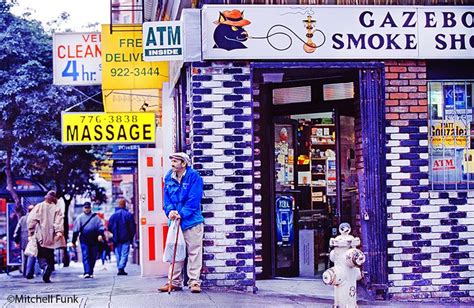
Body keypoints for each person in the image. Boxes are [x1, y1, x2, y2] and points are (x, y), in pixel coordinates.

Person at [158, 152, 204, 294]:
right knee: (175, 250)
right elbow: (166, 199)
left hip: (191, 220)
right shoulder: (168, 177)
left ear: (183, 164)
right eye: (171, 161)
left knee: (194, 251)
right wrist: (170, 211)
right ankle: (173, 282)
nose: (172, 164)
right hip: (175, 221)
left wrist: (181, 213)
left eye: (175, 161)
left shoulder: (193, 176)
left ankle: (194, 281)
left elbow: (194, 199)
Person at [27, 191, 66, 283]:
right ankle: (47, 272)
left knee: (40, 254)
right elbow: (59, 221)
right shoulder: (57, 208)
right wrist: (59, 232)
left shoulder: (39, 206)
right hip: (52, 236)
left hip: (41, 235)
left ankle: (45, 266)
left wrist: (31, 231)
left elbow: (31, 220)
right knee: (49, 254)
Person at [71, 202, 104, 278]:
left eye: (88, 208)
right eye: (85, 208)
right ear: (83, 208)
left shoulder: (95, 217)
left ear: (90, 208)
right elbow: (76, 230)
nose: (87, 209)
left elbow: (100, 227)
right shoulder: (80, 218)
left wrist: (100, 234)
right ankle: (86, 272)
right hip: (84, 239)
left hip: (94, 239)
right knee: (86, 255)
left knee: (93, 255)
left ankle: (90, 271)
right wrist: (73, 241)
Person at [108, 199, 136, 276]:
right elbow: (132, 228)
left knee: (118, 254)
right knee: (124, 253)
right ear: (124, 205)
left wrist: (114, 233)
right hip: (126, 237)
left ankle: (120, 268)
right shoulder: (128, 215)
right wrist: (131, 236)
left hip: (116, 238)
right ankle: (121, 267)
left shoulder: (113, 215)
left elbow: (109, 226)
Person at [13, 204, 34, 277]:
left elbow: (17, 231)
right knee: (32, 256)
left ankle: (25, 273)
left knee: (25, 257)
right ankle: (29, 273)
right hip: (32, 240)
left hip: (24, 241)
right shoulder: (35, 218)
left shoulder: (22, 219)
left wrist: (16, 241)